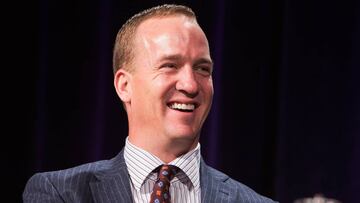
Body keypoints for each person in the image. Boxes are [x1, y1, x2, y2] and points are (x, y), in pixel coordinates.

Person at [23, 4, 277, 203]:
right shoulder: (61, 193)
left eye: (202, 68)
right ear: (124, 85)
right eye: (170, 66)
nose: (190, 85)